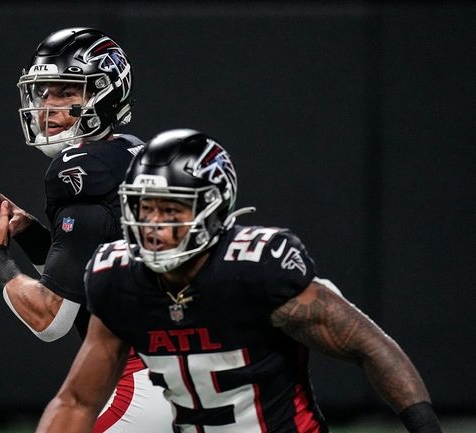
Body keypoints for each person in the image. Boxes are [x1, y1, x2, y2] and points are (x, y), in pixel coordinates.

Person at [34, 128, 443, 433]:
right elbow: (77, 400)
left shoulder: (255, 269)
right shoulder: (117, 276)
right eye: (144, 207)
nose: (153, 224)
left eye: (171, 210)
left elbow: (370, 347)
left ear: (213, 210)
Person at [0, 28, 172, 432]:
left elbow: (50, 319)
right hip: (184, 365)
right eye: (44, 91)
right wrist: (29, 232)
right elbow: (92, 272)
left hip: (143, 375)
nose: (48, 106)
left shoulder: (79, 168)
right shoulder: (131, 151)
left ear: (105, 94)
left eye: (66, 92)